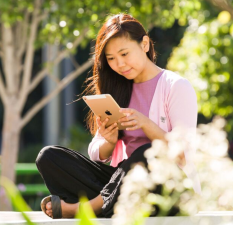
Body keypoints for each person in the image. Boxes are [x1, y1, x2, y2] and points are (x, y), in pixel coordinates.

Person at [36, 13, 200, 219]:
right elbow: (96, 153)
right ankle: (110, 205)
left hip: (167, 186)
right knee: (49, 157)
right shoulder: (118, 88)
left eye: (124, 54)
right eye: (111, 59)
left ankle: (87, 209)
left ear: (145, 44)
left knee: (147, 152)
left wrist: (146, 124)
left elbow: (183, 153)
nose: (119, 64)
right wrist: (109, 141)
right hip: (123, 184)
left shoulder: (176, 86)